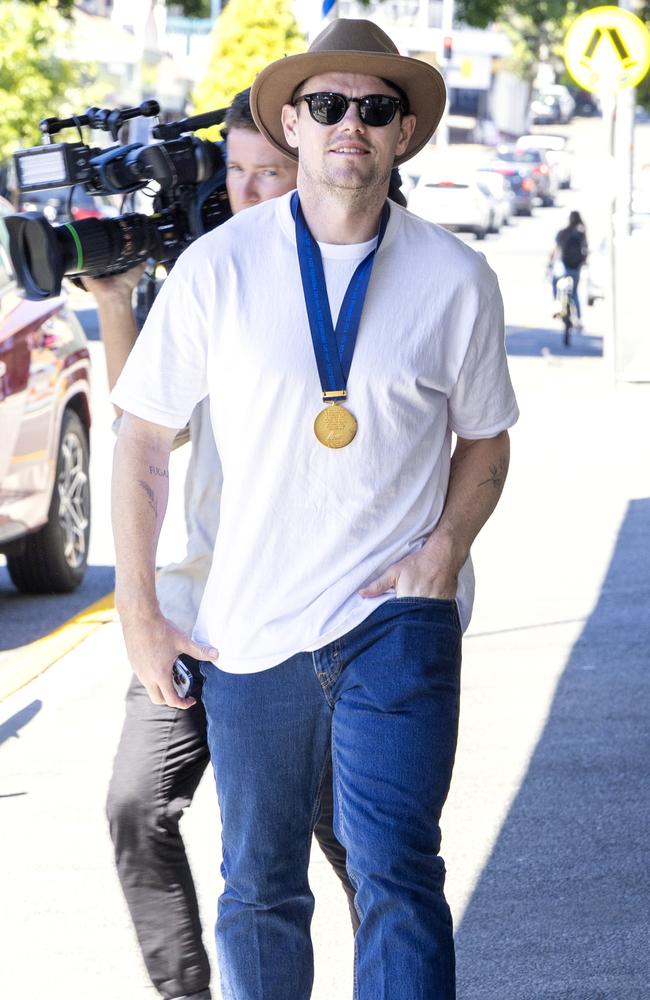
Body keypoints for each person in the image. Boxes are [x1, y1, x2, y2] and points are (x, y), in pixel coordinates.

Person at [110, 19, 519, 1000]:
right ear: (290, 123)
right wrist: (137, 607)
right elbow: (138, 444)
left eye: (373, 109)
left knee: (396, 877)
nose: (350, 124)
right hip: (250, 635)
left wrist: (443, 550)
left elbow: (486, 438)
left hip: (393, 625)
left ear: (402, 132)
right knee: (259, 889)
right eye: (327, 105)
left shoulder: (455, 280)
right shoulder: (219, 269)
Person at [88, 89, 356, 1000]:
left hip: (306, 625)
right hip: (196, 611)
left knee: (346, 839)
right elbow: (147, 427)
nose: (245, 194)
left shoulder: (343, 283)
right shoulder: (213, 275)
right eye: (233, 174)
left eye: (266, 175)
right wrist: (118, 298)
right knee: (136, 808)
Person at [549, 209, 588, 328]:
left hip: (564, 266)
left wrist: (550, 262)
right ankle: (579, 318)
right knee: (574, 292)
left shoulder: (563, 232)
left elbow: (555, 249)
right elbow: (585, 250)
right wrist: (583, 262)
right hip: (576, 267)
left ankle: (558, 308)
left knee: (556, 284)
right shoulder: (581, 233)